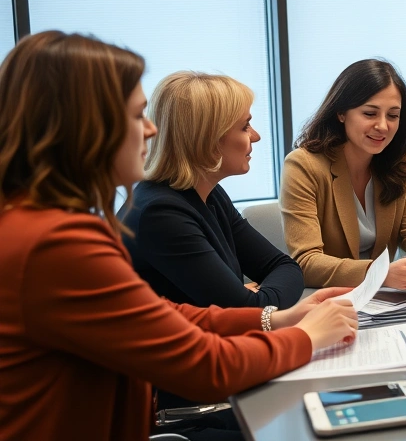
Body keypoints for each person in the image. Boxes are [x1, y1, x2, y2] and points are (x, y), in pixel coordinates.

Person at [0, 31, 359, 440]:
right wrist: (304, 337)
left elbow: (165, 312)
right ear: (85, 126)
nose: (151, 131)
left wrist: (275, 318)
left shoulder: (35, 221)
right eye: (137, 116)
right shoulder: (55, 243)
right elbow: (206, 366)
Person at [120, 72, 303, 309]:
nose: (255, 137)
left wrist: (257, 298)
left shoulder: (209, 194)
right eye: (245, 126)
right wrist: (254, 298)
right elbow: (245, 310)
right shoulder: (161, 213)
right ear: (208, 139)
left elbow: (285, 266)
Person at [281, 59, 406, 290]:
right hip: (328, 302)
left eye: (393, 115)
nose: (383, 126)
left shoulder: (401, 163)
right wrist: (379, 274)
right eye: (370, 113)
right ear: (341, 113)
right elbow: (306, 262)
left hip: (383, 303)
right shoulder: (303, 165)